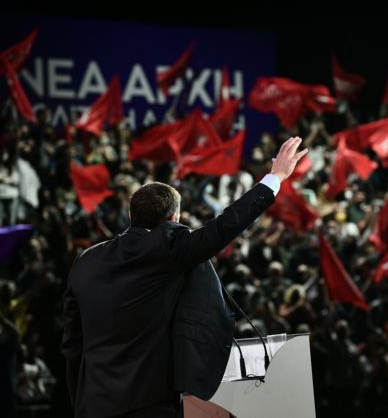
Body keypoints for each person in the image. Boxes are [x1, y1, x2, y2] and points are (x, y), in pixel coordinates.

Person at [61, 137, 308, 418]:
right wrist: (275, 177)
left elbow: (72, 345)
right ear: (174, 218)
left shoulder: (86, 261)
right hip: (149, 404)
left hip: (92, 404)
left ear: (131, 215)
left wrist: (80, 402)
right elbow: (224, 226)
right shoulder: (168, 247)